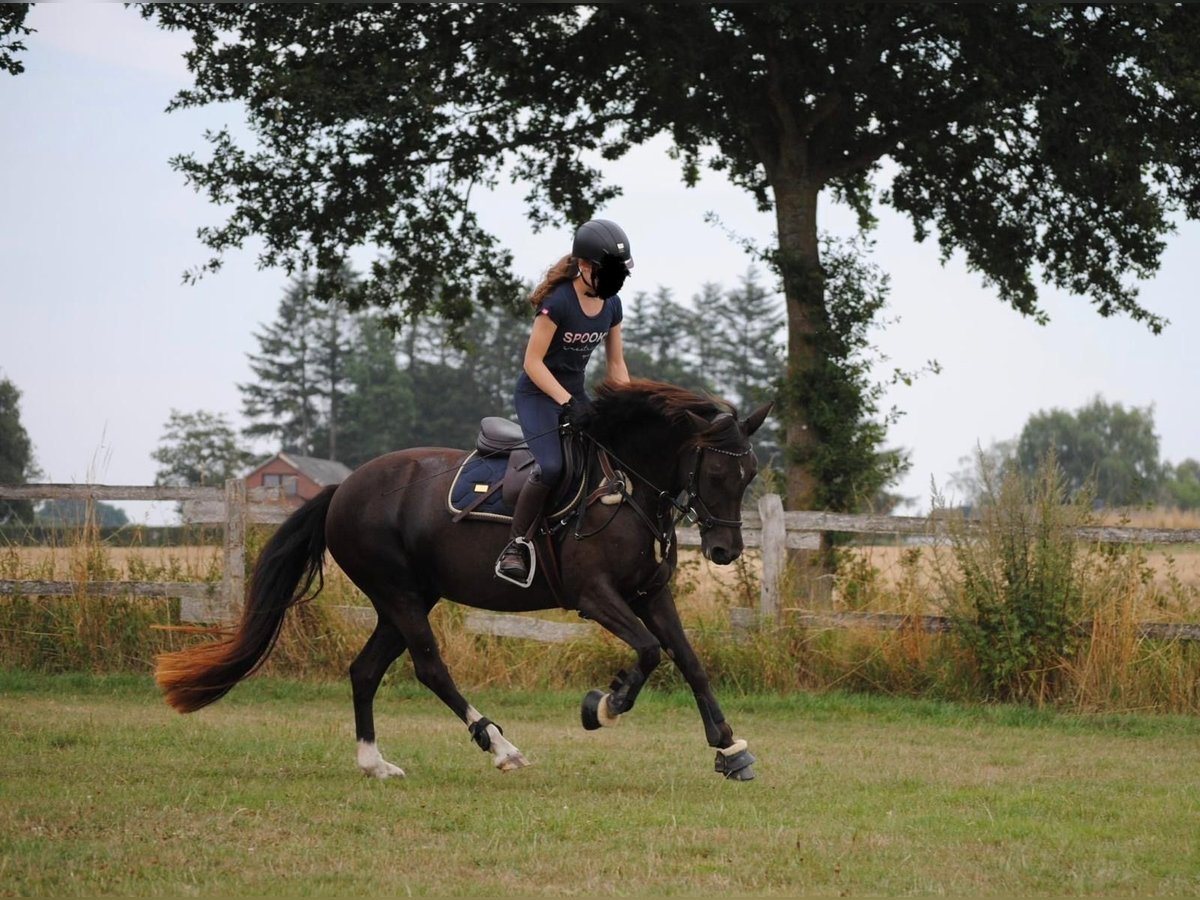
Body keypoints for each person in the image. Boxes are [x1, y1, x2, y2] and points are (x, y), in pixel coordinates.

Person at [495, 219, 634, 585]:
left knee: (611, 456)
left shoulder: (611, 305)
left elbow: (616, 363)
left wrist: (628, 404)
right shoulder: (558, 303)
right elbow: (532, 363)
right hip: (539, 395)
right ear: (584, 267)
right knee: (553, 466)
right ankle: (517, 544)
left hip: (575, 395)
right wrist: (567, 401)